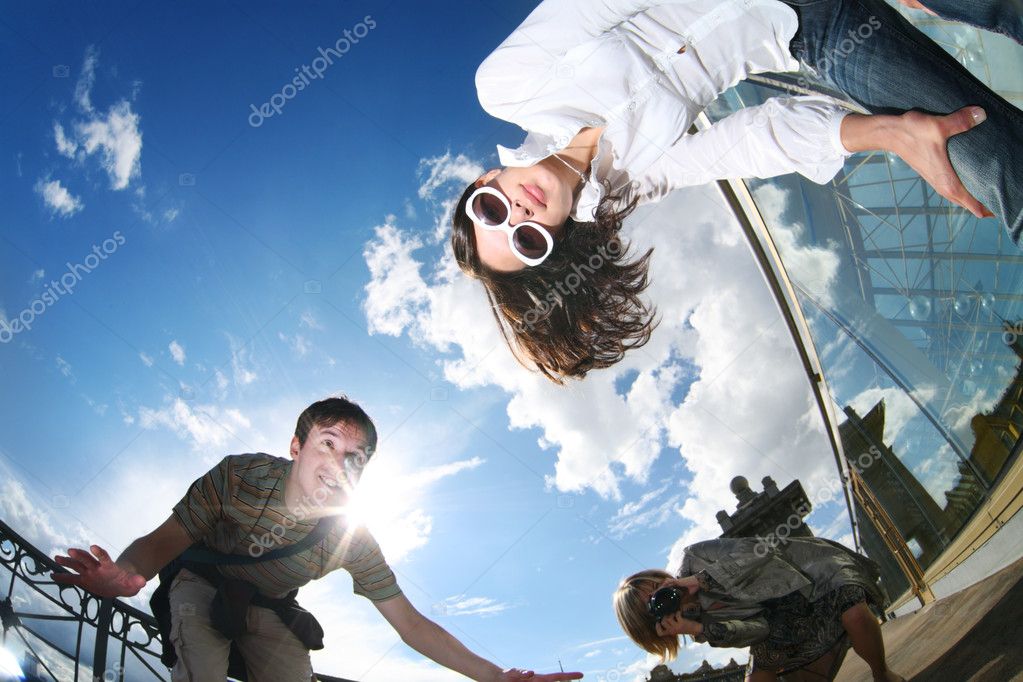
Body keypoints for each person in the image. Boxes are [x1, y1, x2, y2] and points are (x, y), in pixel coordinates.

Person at [450, 0, 1023, 383]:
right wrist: (889, 133)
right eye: (525, 240)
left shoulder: (509, 86)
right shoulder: (634, 180)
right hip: (811, 27)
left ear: (484, 183)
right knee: (992, 162)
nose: (517, 213)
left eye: (491, 211)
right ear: (553, 240)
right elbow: (756, 141)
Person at [52, 396, 583, 682]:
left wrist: (494, 678)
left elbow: (410, 624)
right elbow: (164, 540)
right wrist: (127, 576)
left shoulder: (351, 536)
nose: (338, 465)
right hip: (200, 581)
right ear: (297, 446)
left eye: (355, 458)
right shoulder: (240, 478)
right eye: (328, 444)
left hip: (272, 605)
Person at [613, 536, 905, 681]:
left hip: (809, 576)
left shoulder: (696, 557)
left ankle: (883, 675)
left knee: (852, 610)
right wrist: (698, 628)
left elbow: (761, 551)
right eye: (653, 604)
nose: (662, 594)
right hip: (780, 619)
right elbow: (758, 631)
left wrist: (700, 580)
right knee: (756, 677)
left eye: (655, 585)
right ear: (655, 624)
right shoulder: (696, 623)